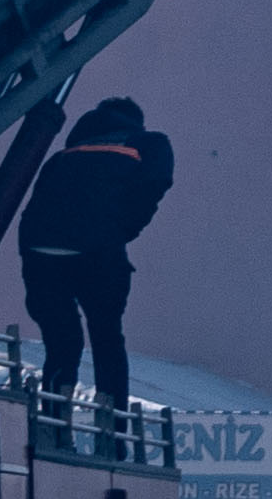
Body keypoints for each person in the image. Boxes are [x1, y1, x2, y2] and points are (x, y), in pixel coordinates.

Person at [10, 95, 172, 407]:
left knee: (61, 342)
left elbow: (33, 210)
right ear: (135, 121)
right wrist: (120, 231)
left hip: (38, 253)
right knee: (106, 337)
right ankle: (111, 424)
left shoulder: (61, 157)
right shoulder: (149, 143)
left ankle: (55, 419)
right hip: (96, 253)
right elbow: (154, 184)